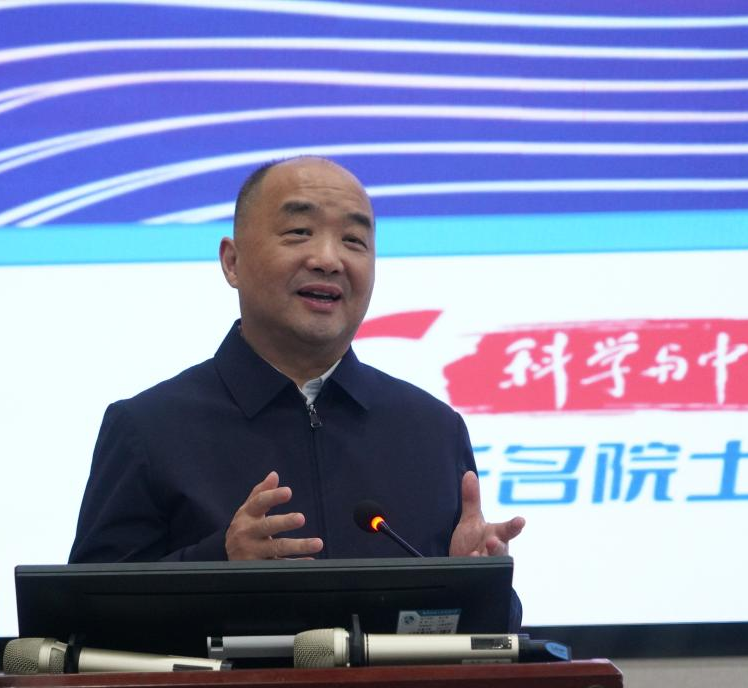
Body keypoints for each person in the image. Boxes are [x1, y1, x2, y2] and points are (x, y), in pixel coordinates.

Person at [69, 156, 524, 624]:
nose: (328, 259)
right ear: (232, 262)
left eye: (353, 240)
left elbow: (486, 640)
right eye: (299, 232)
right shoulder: (147, 428)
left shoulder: (432, 430)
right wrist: (219, 561)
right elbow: (85, 622)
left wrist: (476, 584)